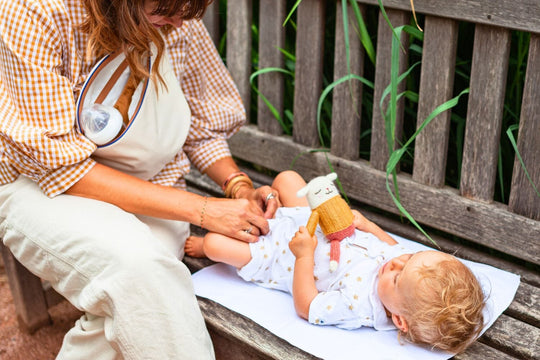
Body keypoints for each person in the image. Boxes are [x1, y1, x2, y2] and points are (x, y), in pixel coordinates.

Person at [0, 0, 281, 359]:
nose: (179, 25)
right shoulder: (33, 10)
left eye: (187, 13)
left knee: (144, 297)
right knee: (140, 268)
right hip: (37, 186)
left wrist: (238, 186)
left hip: (155, 183)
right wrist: (206, 210)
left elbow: (202, 127)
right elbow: (58, 166)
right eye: (165, 12)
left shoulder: (174, 12)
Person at [186, 171, 486, 354]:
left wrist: (304, 256)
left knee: (214, 243)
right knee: (287, 180)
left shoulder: (358, 308)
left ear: (398, 320)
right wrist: (368, 225)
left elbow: (307, 306)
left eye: (397, 277)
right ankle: (262, 215)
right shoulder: (400, 269)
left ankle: (203, 247)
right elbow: (393, 246)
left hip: (280, 256)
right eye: (410, 259)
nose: (396, 263)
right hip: (313, 225)